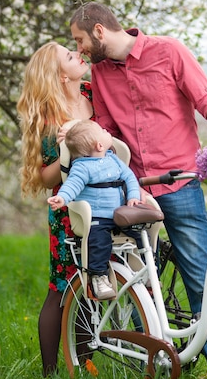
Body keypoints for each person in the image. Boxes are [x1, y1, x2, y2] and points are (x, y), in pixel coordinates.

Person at [69, 2, 207, 379]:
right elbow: (107, 132)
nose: (81, 50)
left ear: (99, 31)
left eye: (81, 41)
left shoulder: (168, 51)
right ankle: (153, 366)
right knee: (138, 280)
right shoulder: (100, 75)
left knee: (200, 279)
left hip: (181, 182)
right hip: (135, 190)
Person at [17, 41, 93, 377]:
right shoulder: (52, 118)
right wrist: (66, 151)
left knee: (95, 282)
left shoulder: (92, 93)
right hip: (68, 207)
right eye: (69, 55)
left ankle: (86, 365)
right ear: (61, 75)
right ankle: (50, 375)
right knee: (63, 286)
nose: (78, 55)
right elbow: (45, 176)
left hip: (104, 197)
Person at [47, 120, 142, 300]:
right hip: (97, 218)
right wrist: (62, 198)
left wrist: (133, 196)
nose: (107, 131)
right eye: (103, 131)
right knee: (98, 244)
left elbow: (129, 177)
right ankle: (99, 277)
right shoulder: (82, 167)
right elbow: (72, 185)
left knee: (142, 234)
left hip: (120, 214)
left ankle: (147, 267)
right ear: (99, 145)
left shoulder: (113, 159)